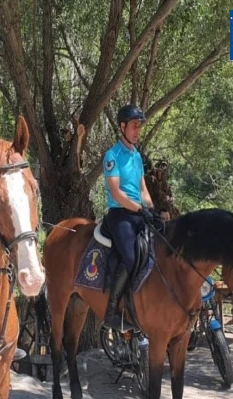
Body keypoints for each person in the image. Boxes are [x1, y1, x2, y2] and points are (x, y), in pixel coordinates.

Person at [101, 104, 156, 330]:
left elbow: (143, 189)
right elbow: (117, 193)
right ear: (122, 127)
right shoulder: (112, 156)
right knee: (132, 257)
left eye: (139, 127)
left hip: (139, 212)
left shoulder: (137, 156)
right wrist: (139, 209)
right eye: (134, 126)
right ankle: (112, 311)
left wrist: (153, 209)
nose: (137, 131)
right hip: (120, 214)